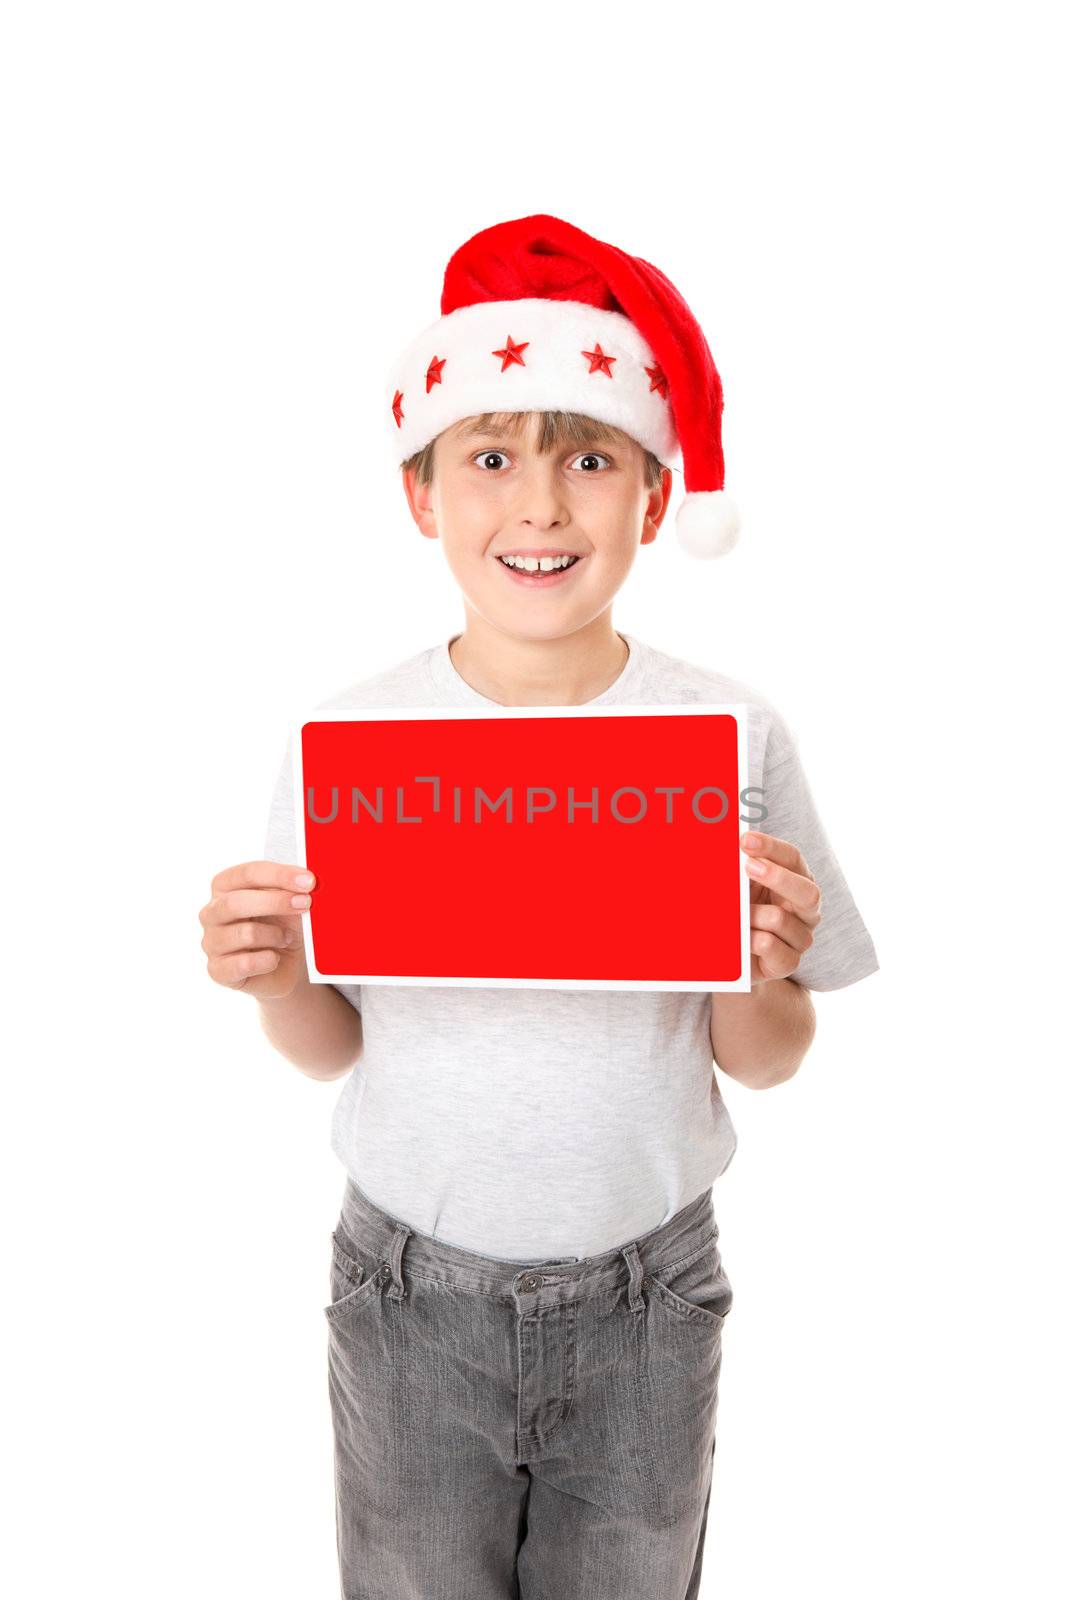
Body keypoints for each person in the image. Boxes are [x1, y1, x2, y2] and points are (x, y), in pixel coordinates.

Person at [199, 213, 879, 1599]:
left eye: (590, 457)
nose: (542, 505)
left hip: (651, 1289)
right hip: (406, 1289)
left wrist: (761, 966)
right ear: (422, 495)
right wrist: (276, 976)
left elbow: (770, 1054)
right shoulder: (353, 743)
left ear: (652, 492)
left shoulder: (730, 736)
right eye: (491, 456)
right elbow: (336, 1043)